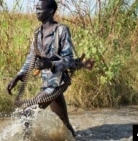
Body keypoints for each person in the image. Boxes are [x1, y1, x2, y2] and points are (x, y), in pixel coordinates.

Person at [7, 0, 94, 137]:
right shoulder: (37, 33)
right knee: (64, 122)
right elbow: (31, 58)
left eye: (40, 9)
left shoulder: (61, 30)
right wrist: (19, 75)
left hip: (57, 83)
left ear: (51, 11)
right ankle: (74, 138)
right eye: (36, 9)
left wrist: (51, 64)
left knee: (26, 114)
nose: (36, 12)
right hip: (47, 83)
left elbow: (69, 60)